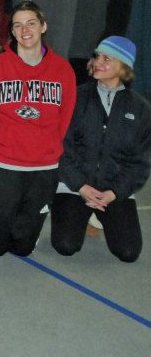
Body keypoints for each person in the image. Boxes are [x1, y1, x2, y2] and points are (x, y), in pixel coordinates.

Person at [0, 2, 76, 256]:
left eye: (31, 23)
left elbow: (65, 117)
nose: (24, 30)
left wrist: (46, 147)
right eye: (18, 25)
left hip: (43, 168)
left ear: (43, 26)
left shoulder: (62, 70)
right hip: (5, 165)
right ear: (12, 32)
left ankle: (28, 233)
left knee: (23, 248)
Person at [52, 36, 150, 263]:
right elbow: (61, 146)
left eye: (107, 59)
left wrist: (114, 192)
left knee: (128, 252)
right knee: (66, 245)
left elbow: (139, 163)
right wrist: (81, 186)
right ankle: (82, 213)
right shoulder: (76, 97)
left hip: (113, 190)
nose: (97, 62)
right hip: (75, 186)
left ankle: (96, 215)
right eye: (97, 56)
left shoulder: (141, 109)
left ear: (123, 67)